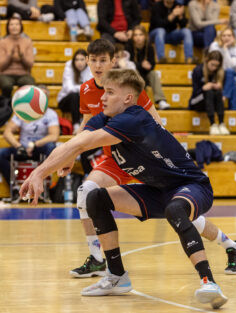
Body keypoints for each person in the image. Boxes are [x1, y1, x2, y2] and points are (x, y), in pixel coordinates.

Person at [19, 69, 236, 308]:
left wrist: (39, 173)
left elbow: (85, 143)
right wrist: (51, 165)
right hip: (157, 190)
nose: (103, 98)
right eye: (103, 92)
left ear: (127, 98)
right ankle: (117, 277)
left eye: (109, 92)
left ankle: (209, 282)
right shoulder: (103, 118)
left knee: (175, 210)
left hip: (191, 186)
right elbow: (75, 142)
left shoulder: (133, 118)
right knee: (95, 198)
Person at [70, 38, 162, 278]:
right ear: (87, 61)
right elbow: (87, 124)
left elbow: (156, 121)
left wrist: (161, 155)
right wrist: (70, 155)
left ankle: (230, 245)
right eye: (93, 60)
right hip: (115, 160)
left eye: (103, 60)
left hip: (144, 158)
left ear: (113, 61)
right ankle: (97, 259)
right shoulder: (86, 89)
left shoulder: (128, 86)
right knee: (85, 193)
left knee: (178, 210)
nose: (98, 65)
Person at [0, 86, 59, 185]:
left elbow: (54, 136)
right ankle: (14, 186)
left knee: (51, 147)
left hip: (39, 148)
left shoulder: (51, 114)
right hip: (23, 148)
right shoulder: (23, 111)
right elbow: (7, 132)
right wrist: (18, 146)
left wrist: (35, 144)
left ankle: (43, 182)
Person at [127, 25, 170, 110]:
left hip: (146, 74)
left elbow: (152, 64)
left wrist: (148, 66)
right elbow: (128, 64)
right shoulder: (129, 46)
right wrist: (141, 65)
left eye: (140, 35)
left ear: (145, 36)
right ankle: (140, 101)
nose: (138, 37)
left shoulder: (149, 47)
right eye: (135, 35)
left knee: (153, 74)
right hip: (133, 75)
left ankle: (161, 100)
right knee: (134, 72)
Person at [189, 50, 229, 135]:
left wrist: (220, 89)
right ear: (207, 61)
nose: (214, 68)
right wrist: (203, 88)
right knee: (209, 92)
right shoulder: (198, 70)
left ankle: (221, 123)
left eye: (216, 66)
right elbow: (195, 92)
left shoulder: (220, 72)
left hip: (211, 103)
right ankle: (212, 124)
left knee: (218, 92)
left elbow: (223, 92)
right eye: (212, 65)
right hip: (196, 101)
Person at [0, 16, 35, 98]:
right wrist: (9, 55)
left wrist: (22, 57)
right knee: (7, 86)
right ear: (8, 27)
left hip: (23, 74)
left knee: (30, 84)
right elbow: (0, 66)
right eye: (11, 24)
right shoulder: (2, 42)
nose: (14, 27)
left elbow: (30, 64)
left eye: (17, 24)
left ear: (21, 27)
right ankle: (6, 108)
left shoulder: (27, 42)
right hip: (5, 74)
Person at [209, 26, 236, 110]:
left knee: (230, 72)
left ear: (233, 37)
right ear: (220, 37)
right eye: (224, 35)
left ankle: (224, 97)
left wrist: (225, 49)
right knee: (234, 81)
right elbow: (214, 65)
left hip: (229, 74)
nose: (226, 38)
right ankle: (235, 111)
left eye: (229, 35)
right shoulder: (214, 46)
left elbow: (230, 66)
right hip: (216, 74)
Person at [57, 49, 92, 132]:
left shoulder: (90, 68)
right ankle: (76, 125)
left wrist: (82, 89)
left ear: (86, 60)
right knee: (74, 95)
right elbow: (69, 88)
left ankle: (87, 124)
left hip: (83, 101)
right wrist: (83, 88)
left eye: (82, 59)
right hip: (65, 101)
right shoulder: (69, 67)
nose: (79, 62)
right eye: (77, 60)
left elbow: (91, 88)